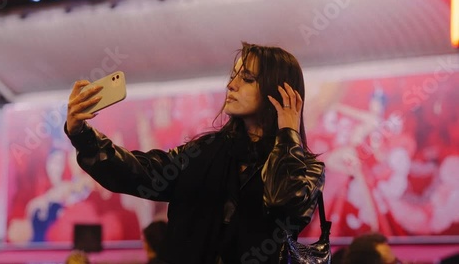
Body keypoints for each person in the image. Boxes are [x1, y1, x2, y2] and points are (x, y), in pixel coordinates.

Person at [65, 42, 325, 263]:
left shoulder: (306, 169)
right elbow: (139, 172)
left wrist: (288, 135)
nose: (231, 85)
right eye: (233, 76)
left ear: (279, 93)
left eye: (246, 78)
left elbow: (283, 203)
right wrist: (82, 135)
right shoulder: (203, 152)